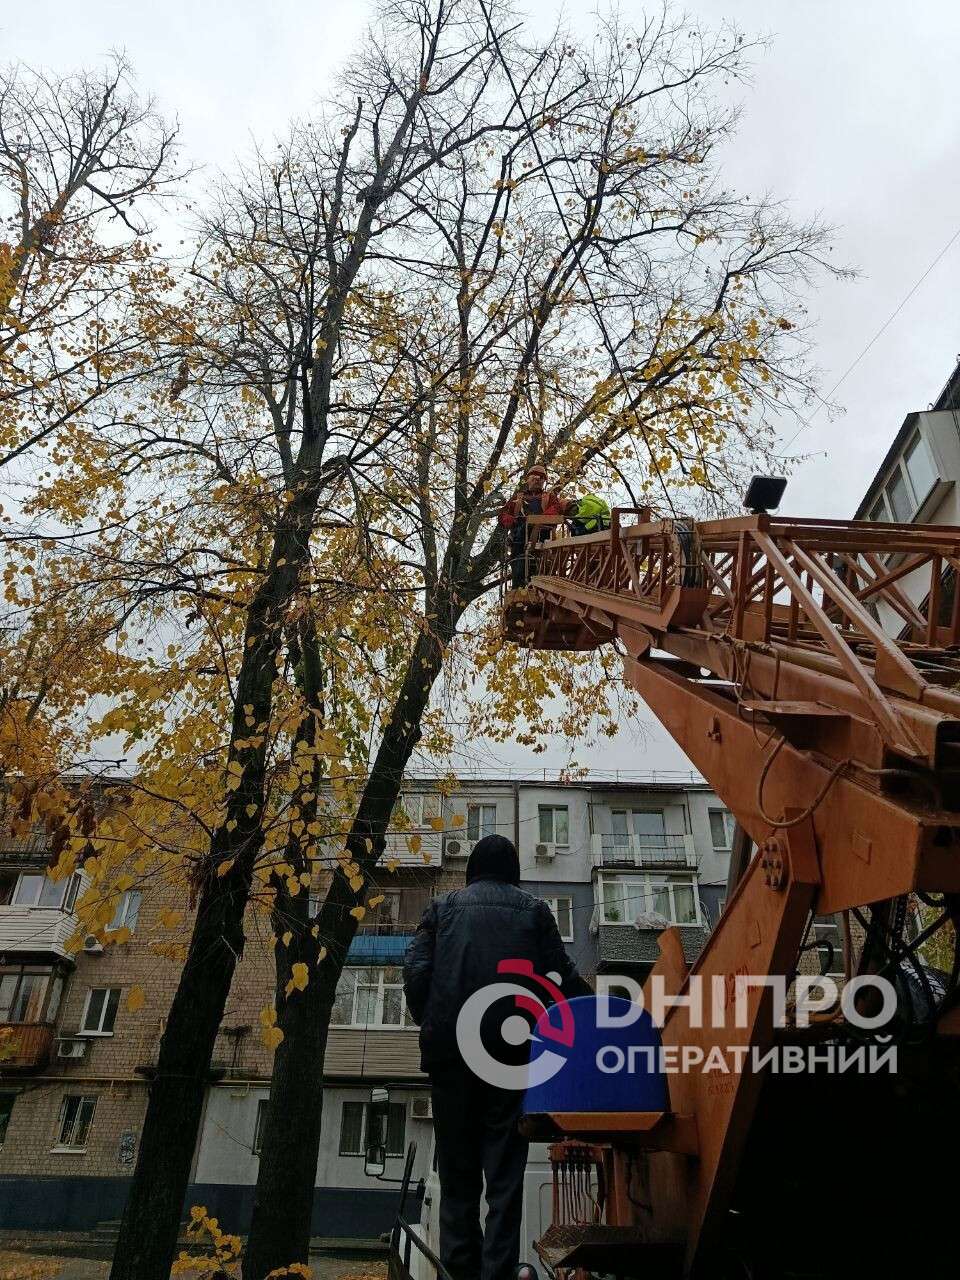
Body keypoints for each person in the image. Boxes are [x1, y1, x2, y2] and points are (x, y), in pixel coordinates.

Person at [403, 835, 590, 1280]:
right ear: (513, 871)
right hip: (510, 1059)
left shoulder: (442, 909)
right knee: (505, 1178)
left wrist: (430, 1019)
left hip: (451, 1056)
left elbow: (415, 969)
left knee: (456, 1177)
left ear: (471, 870)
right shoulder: (534, 911)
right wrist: (594, 1015)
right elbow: (560, 978)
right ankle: (497, 1274)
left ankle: (458, 1273)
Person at [498, 465, 574, 588]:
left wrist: (539, 519)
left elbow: (557, 509)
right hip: (519, 541)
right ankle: (518, 589)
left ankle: (537, 587)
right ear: (528, 479)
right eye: (534, 477)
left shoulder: (549, 497)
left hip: (543, 537)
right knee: (519, 567)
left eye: (541, 478)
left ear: (544, 481)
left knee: (540, 569)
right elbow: (503, 514)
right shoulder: (518, 498)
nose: (537, 479)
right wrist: (510, 520)